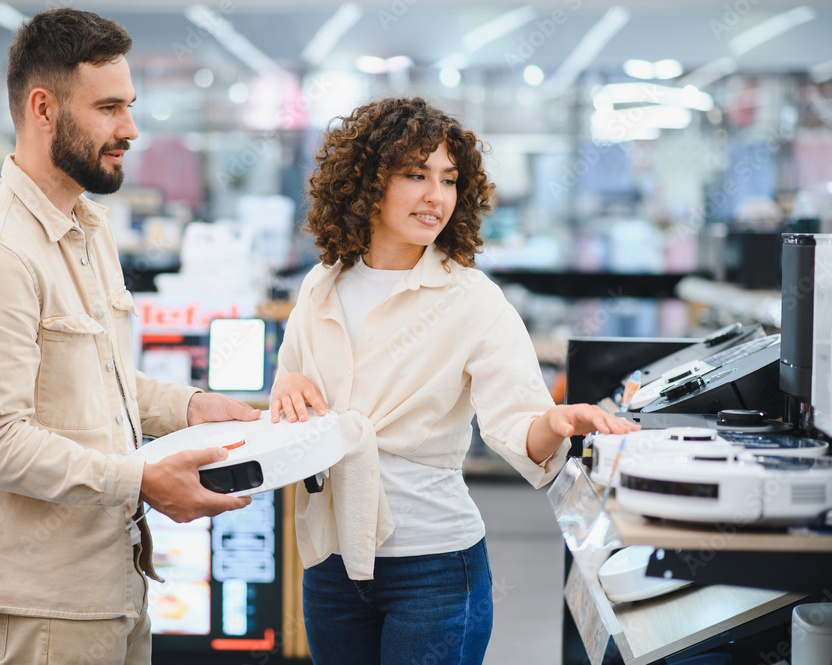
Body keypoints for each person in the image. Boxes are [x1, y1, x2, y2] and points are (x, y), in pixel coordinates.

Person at [0, 9, 258, 664]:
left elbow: (97, 381)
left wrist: (190, 407)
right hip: (50, 601)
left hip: (117, 575)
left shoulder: (90, 230)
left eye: (129, 106)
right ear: (43, 109)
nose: (130, 129)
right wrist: (141, 480)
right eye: (109, 108)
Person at [270, 97, 640, 665]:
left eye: (448, 179)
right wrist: (286, 385)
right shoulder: (321, 286)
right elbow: (292, 387)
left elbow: (517, 423)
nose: (436, 196)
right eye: (415, 175)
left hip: (434, 570)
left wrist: (556, 421)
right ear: (366, 181)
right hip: (331, 563)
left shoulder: (471, 299)